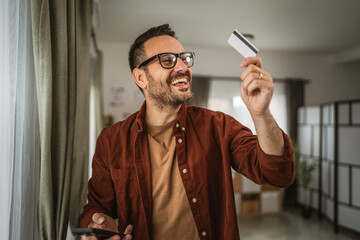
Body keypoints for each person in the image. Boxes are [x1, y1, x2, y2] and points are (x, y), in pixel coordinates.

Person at [80, 24, 295, 240]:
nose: (182, 67)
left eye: (184, 58)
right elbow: (97, 206)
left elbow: (278, 173)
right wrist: (97, 225)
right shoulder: (111, 141)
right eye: (167, 60)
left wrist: (261, 114)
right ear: (140, 78)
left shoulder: (218, 126)